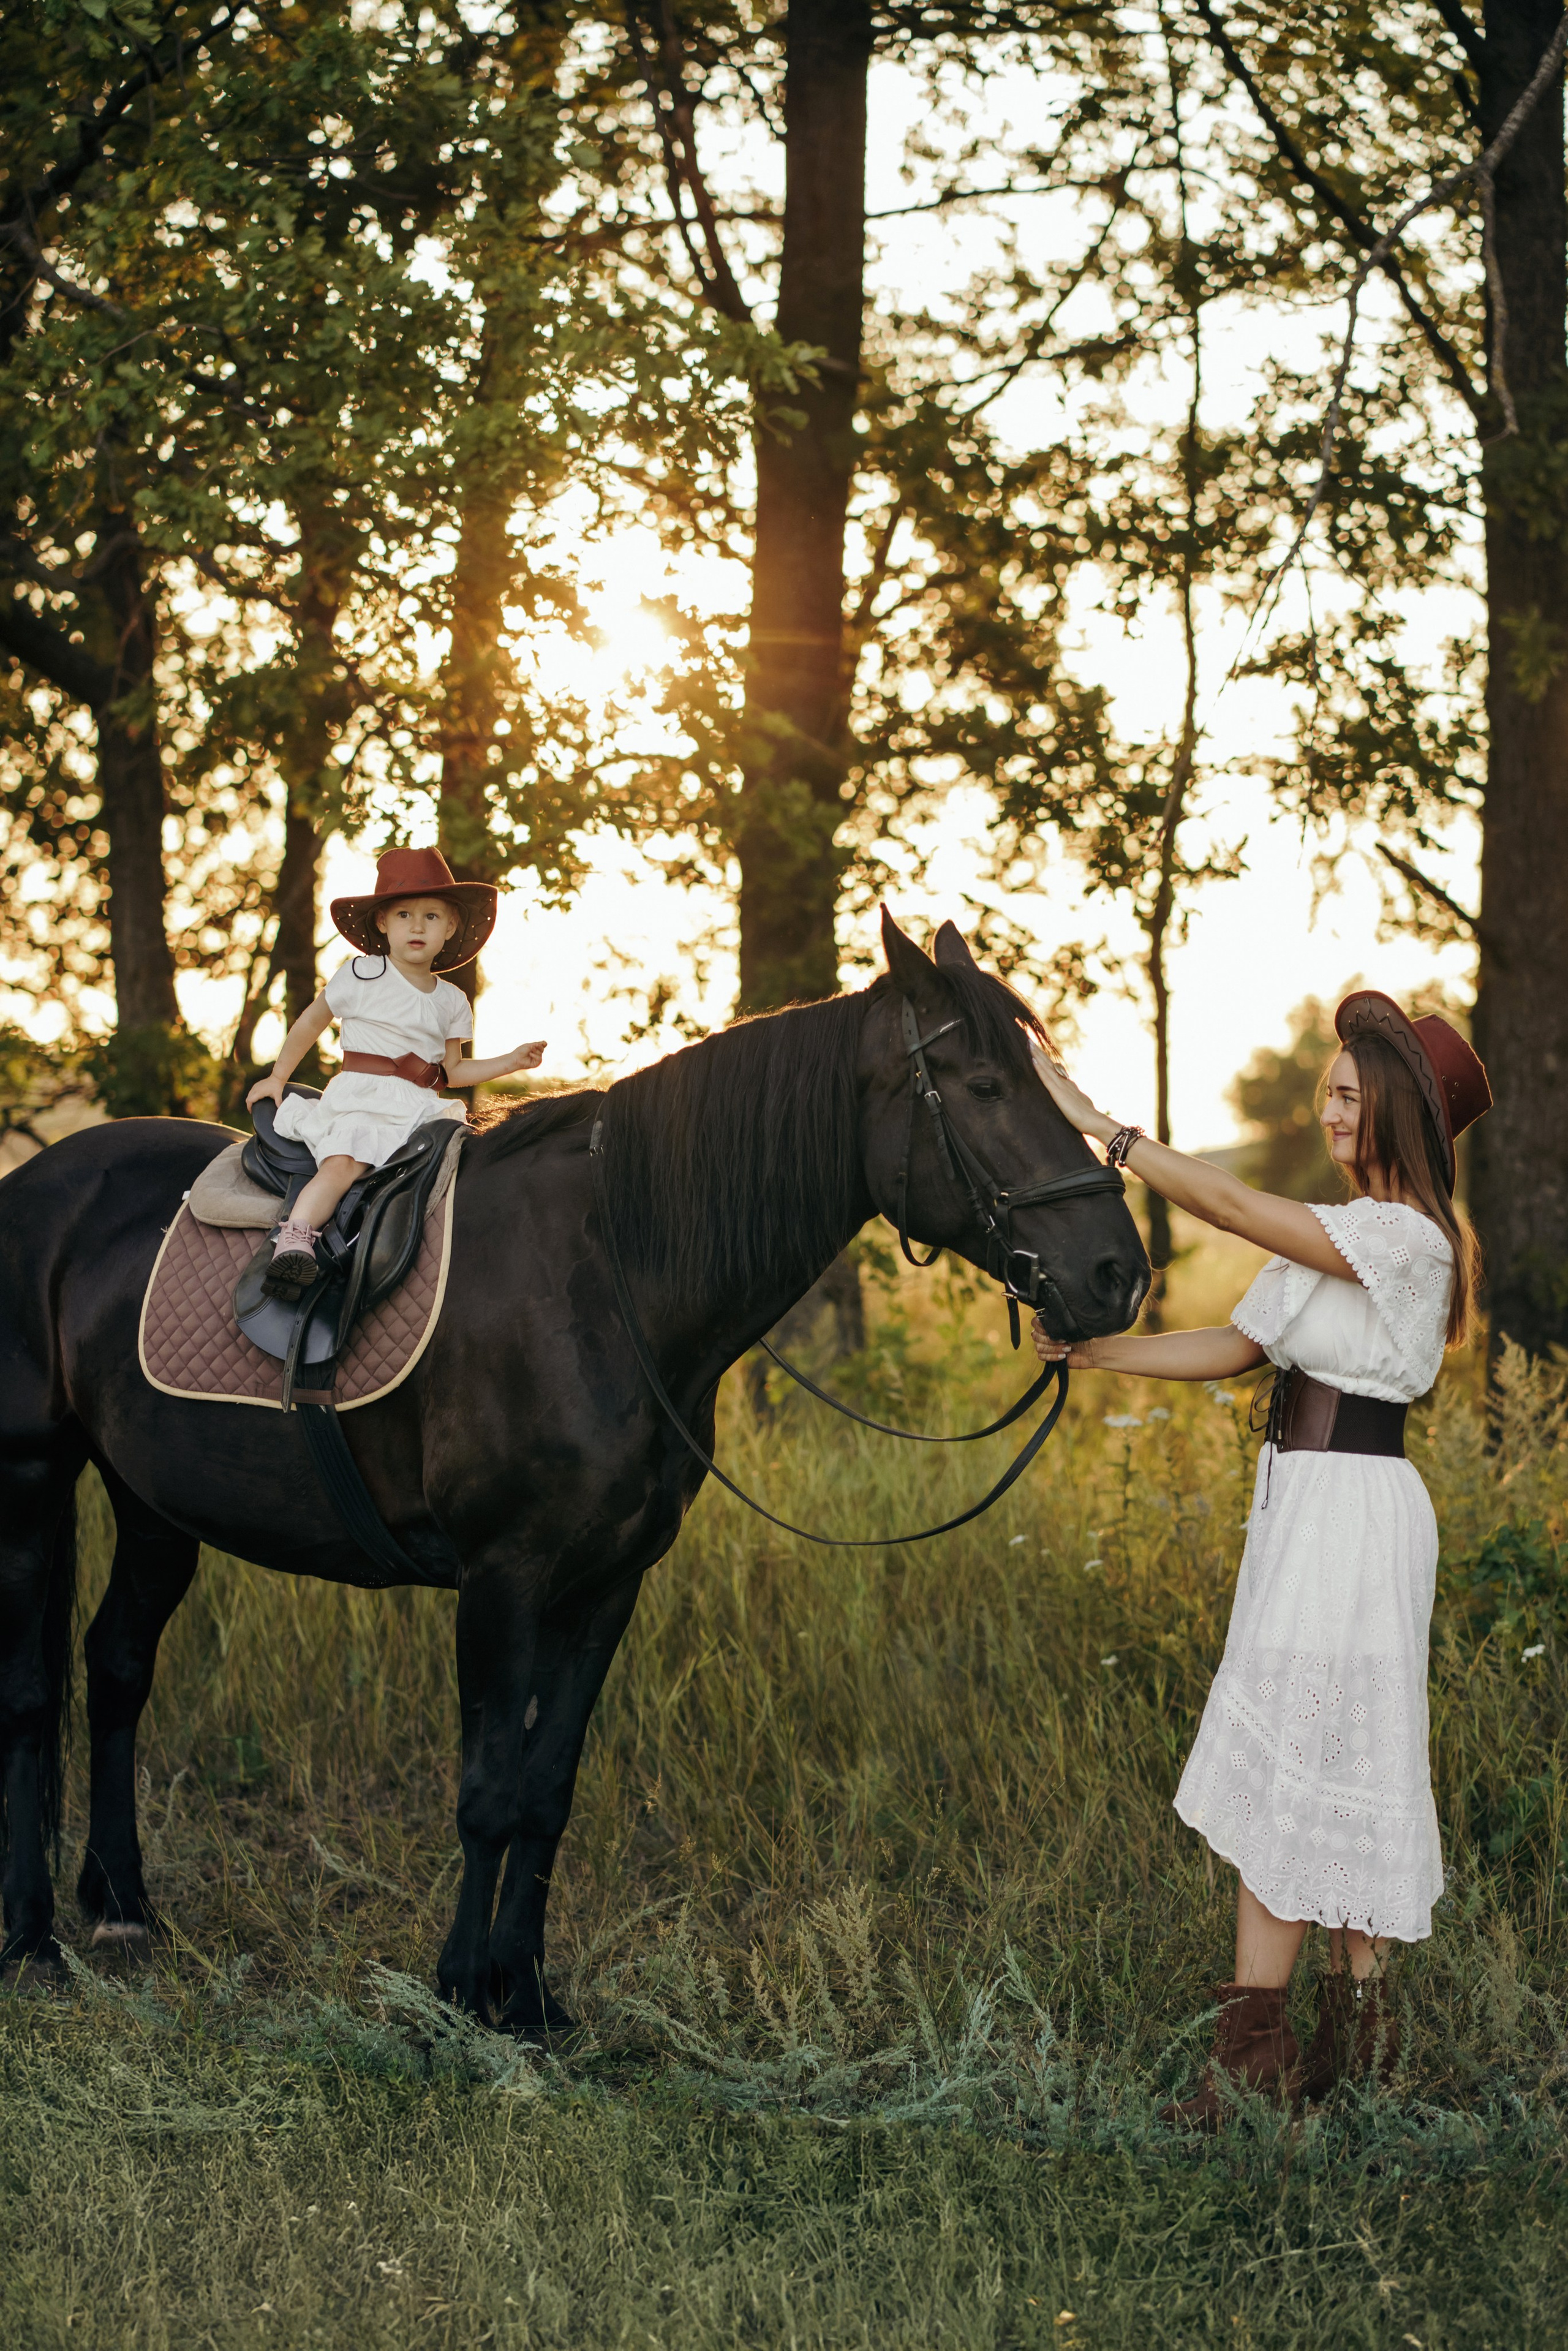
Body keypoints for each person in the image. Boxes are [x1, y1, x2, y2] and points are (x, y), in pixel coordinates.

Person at [1028, 991, 1491, 2126]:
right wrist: (1096, 1354)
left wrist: (1102, 1127)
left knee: (1309, 1749)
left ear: (1399, 1111)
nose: (1329, 1111)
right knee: (1320, 1747)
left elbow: (1231, 1203)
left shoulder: (1405, 1240)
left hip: (1354, 1514)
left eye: (1349, 1095)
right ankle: (1348, 2040)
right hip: (1308, 1510)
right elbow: (1239, 1346)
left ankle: (1258, 2058)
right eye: (1329, 1092)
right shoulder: (1342, 1232)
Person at [245, 847, 546, 1298]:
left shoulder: (451, 1000)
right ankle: (295, 1239)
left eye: (431, 916)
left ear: (450, 927)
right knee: (345, 1160)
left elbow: (454, 1071)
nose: (417, 926)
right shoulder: (362, 974)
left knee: (455, 1168)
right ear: (383, 923)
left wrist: (511, 1061)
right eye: (404, 915)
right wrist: (277, 1076)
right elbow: (311, 1022)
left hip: (419, 1106)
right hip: (364, 1098)